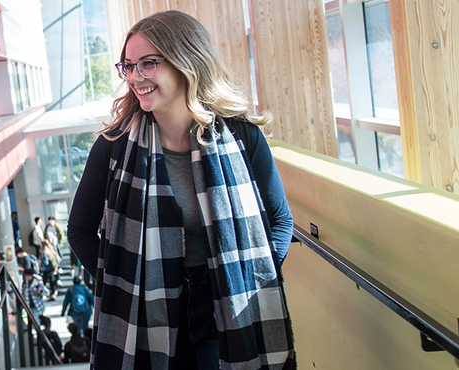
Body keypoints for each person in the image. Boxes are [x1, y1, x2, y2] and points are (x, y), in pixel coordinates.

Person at [66, 11, 296, 370]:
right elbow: (79, 230)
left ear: (186, 61)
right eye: (127, 66)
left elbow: (281, 220)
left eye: (147, 64)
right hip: (145, 305)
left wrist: (253, 279)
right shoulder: (113, 146)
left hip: (225, 299)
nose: (134, 77)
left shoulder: (241, 136)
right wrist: (122, 286)